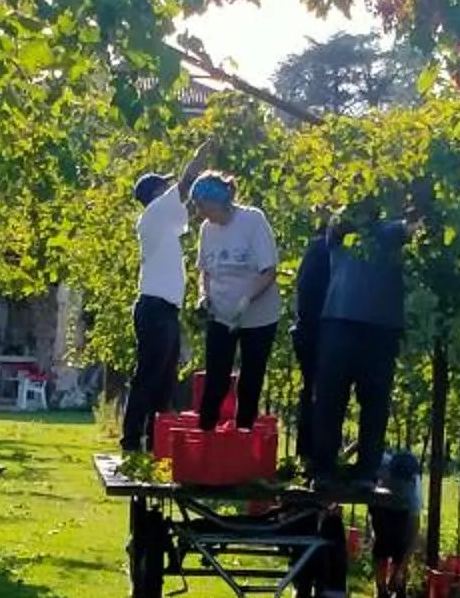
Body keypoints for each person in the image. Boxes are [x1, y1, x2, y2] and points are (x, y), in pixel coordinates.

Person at [305, 195, 423, 483]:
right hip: (339, 322)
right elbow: (336, 223)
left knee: (374, 401)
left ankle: (366, 470)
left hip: (380, 328)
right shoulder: (340, 232)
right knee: (330, 398)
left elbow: (415, 228)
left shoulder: (391, 231)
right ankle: (323, 468)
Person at [120, 137, 212, 453]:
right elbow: (186, 184)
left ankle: (153, 440)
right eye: (164, 188)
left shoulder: (164, 223)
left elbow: (187, 211)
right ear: (155, 194)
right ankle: (132, 441)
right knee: (149, 375)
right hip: (155, 308)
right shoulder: (156, 213)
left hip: (164, 309)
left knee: (163, 379)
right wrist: (200, 158)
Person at [192, 173, 280, 431]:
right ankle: (205, 434)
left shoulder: (253, 221)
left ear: (219, 202)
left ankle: (244, 432)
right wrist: (203, 295)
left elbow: (269, 271)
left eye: (204, 207)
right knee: (216, 377)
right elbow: (205, 270)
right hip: (220, 313)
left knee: (250, 377)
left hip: (257, 315)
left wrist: (246, 300)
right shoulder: (207, 229)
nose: (202, 214)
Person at [290, 215, 334, 468]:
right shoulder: (322, 251)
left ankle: (309, 457)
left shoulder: (317, 250)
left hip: (311, 332)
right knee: (318, 395)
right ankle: (313, 458)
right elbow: (308, 300)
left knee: (313, 393)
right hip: (318, 334)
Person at [367, 446, 423, 598]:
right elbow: (360, 444)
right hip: (379, 501)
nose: (399, 486)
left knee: (401, 545)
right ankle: (381, 592)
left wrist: (399, 570)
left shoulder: (414, 494)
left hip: (402, 509)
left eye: (403, 484)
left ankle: (398, 588)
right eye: (396, 482)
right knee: (382, 545)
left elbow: (413, 534)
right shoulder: (381, 462)